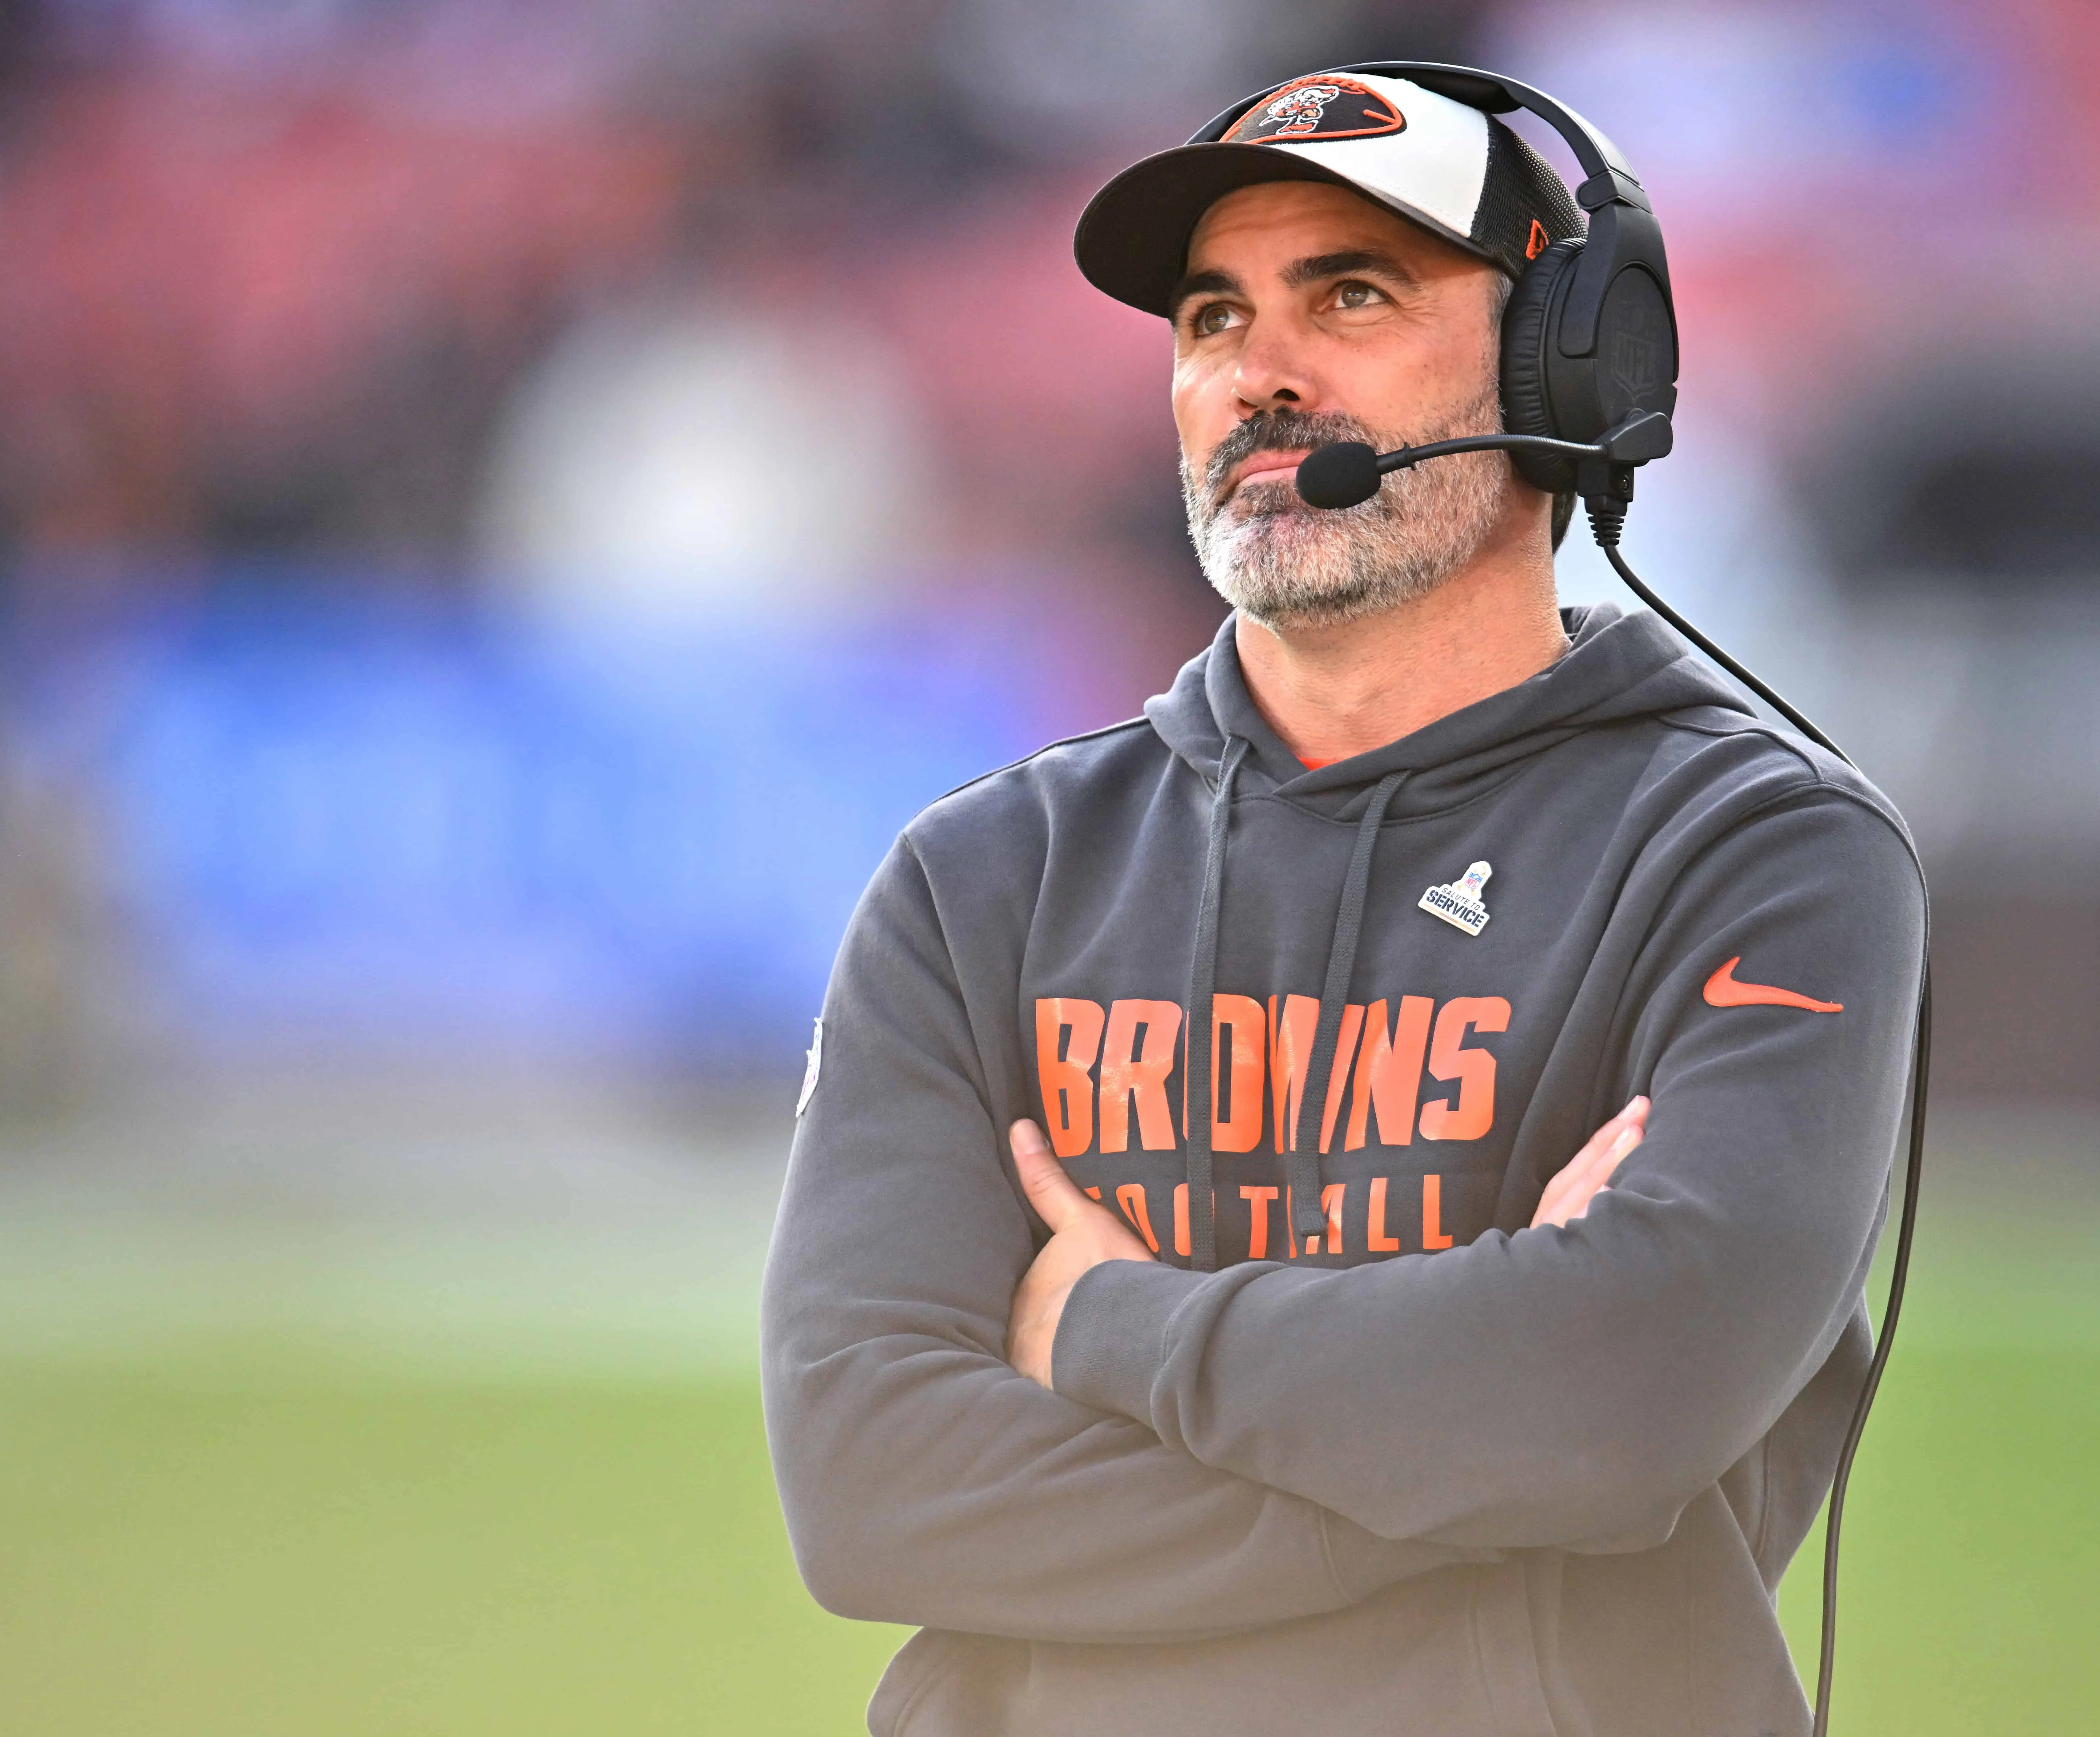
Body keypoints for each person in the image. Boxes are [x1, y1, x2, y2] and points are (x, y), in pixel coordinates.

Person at [763, 68, 1926, 1737]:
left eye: (1353, 296)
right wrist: (1481, 1467)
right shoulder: (982, 878)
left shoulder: (1765, 853)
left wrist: (1107, 1324)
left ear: (1569, 365)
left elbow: (1619, 1409)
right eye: (1212, 318)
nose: (1260, 372)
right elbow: (871, 1488)